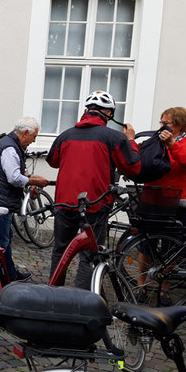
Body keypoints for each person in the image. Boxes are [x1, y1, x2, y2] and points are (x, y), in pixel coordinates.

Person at [47, 90, 141, 288]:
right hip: (95, 203)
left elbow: (53, 162)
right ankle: (82, 299)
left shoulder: (66, 135)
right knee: (90, 253)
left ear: (86, 111)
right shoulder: (114, 137)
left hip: (65, 201)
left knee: (60, 250)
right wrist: (131, 140)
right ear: (108, 113)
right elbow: (132, 166)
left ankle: (53, 293)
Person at [132, 107, 186, 305]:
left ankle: (164, 287)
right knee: (146, 244)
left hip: (178, 200)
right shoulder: (155, 139)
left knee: (172, 247)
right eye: (161, 122)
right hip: (153, 197)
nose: (162, 126)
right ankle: (141, 284)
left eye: (166, 123)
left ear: (179, 125)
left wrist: (172, 144)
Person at [0, 117, 50, 282]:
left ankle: (10, 273)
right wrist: (32, 180)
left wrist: (29, 179)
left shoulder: (9, 143)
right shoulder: (10, 148)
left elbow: (12, 172)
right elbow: (13, 177)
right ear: (24, 133)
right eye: (34, 136)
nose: (34, 140)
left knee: (5, 237)